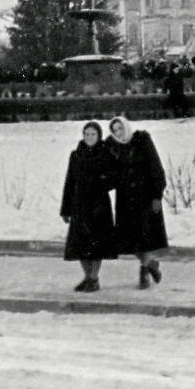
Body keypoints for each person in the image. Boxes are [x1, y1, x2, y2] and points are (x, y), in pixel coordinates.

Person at [107, 116, 167, 289]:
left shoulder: (142, 140)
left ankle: (144, 272)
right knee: (129, 239)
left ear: (126, 126)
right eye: (115, 130)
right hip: (125, 199)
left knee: (145, 236)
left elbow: (156, 167)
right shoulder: (113, 147)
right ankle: (151, 264)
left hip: (145, 197)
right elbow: (109, 171)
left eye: (120, 128)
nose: (119, 132)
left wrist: (157, 195)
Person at [60, 121, 118, 293]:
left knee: (97, 244)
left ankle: (94, 278)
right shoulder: (76, 155)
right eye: (87, 134)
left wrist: (102, 182)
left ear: (98, 136)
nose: (89, 137)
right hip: (80, 205)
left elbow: (114, 177)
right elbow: (69, 182)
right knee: (80, 244)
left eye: (93, 134)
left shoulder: (106, 154)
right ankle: (87, 277)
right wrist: (66, 209)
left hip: (99, 204)